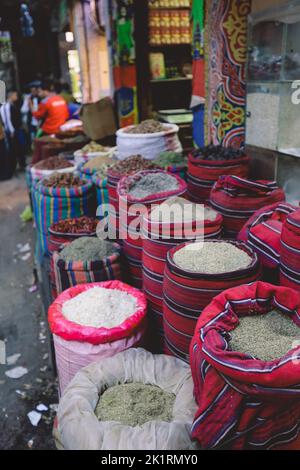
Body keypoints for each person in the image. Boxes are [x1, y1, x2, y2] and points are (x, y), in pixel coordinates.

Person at [0, 90, 26, 171]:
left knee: (19, 147)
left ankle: (21, 164)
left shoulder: (11, 105)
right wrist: (12, 131)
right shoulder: (6, 106)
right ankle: (17, 165)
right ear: (10, 96)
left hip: (16, 130)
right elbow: (7, 120)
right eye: (15, 95)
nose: (16, 96)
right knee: (16, 148)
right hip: (14, 131)